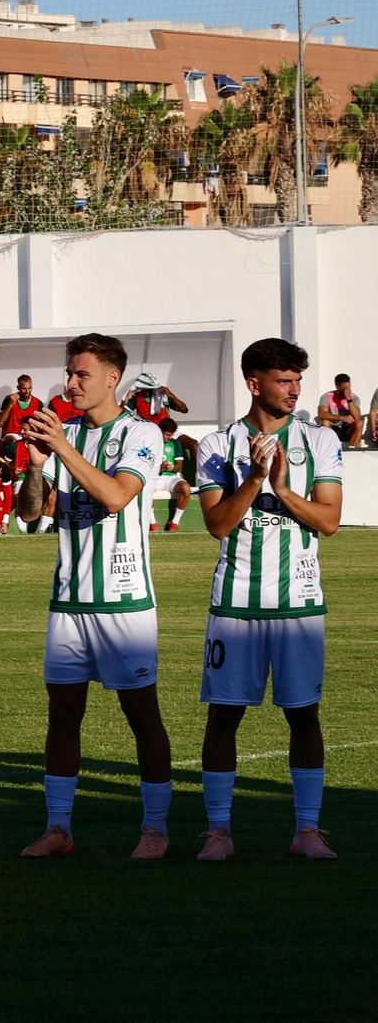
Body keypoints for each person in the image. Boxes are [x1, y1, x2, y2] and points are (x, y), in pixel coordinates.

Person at [15, 333, 174, 860]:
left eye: (82, 373)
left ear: (113, 378)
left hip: (124, 601)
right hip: (68, 600)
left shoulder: (142, 433)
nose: (71, 382)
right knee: (62, 714)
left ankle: (155, 830)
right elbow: (31, 513)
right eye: (69, 372)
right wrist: (37, 467)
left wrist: (61, 448)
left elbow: (114, 496)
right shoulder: (69, 433)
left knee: (141, 715)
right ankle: (58, 828)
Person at [193, 338, 343, 862]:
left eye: (298, 379)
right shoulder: (216, 446)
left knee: (304, 716)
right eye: (284, 380)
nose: (295, 389)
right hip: (235, 604)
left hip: (299, 602)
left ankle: (306, 831)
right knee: (224, 717)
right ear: (254, 384)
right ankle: (218, 833)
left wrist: (280, 489)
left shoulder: (319, 441)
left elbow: (328, 522)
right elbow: (216, 525)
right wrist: (255, 478)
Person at [149, 417, 192, 533]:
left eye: (171, 435)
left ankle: (174, 523)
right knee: (145, 488)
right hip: (155, 477)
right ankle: (152, 523)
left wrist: (171, 467)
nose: (170, 437)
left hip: (170, 477)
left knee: (185, 488)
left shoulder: (175, 444)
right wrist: (160, 467)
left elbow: (180, 466)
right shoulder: (151, 443)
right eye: (167, 434)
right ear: (160, 431)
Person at [316, 373, 362, 449]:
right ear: (337, 386)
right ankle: (330, 449)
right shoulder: (327, 397)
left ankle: (352, 450)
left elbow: (357, 416)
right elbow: (321, 414)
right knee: (325, 422)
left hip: (347, 429)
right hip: (333, 427)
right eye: (345, 389)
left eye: (349, 388)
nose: (347, 391)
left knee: (359, 423)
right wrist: (341, 417)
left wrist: (349, 400)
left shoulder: (354, 398)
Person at [122, 372, 188, 423]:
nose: (146, 391)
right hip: (146, 431)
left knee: (192, 441)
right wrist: (125, 400)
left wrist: (171, 395)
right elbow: (121, 414)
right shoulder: (138, 396)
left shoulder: (162, 395)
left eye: (149, 389)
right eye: (144, 388)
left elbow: (184, 410)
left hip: (164, 431)